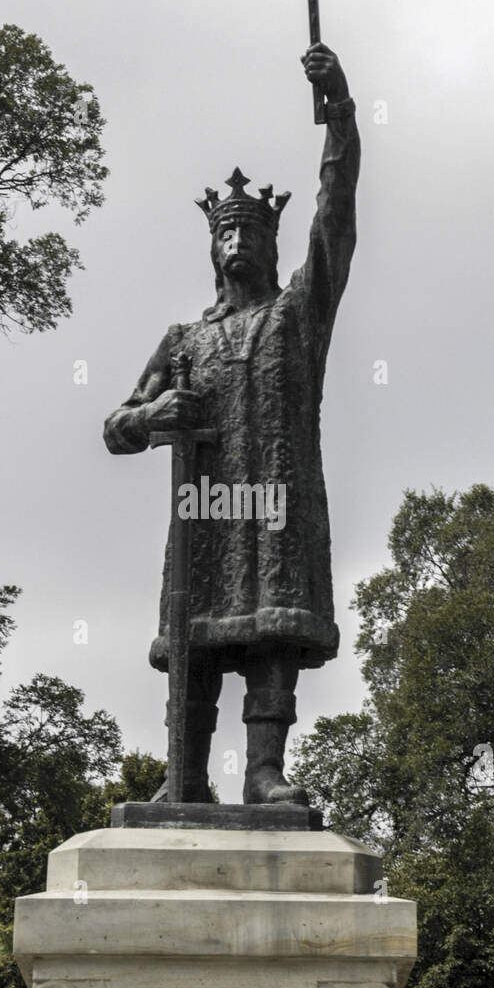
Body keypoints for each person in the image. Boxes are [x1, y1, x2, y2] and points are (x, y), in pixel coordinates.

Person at [104, 43, 360, 805]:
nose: (239, 242)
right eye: (227, 234)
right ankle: (183, 775)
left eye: (252, 233)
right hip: (207, 514)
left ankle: (263, 772)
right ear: (212, 251)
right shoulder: (182, 340)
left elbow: (335, 218)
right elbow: (116, 425)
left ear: (272, 246)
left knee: (273, 628)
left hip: (276, 507)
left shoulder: (297, 316)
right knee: (197, 633)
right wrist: (153, 416)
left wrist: (339, 112)